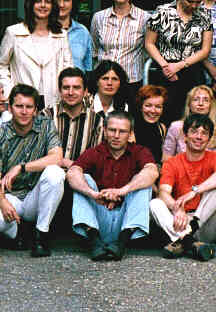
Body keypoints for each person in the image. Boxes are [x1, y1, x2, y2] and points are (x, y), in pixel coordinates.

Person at [0, 84, 65, 257]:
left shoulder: (46, 125)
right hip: (11, 196)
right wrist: (3, 203)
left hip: (37, 195)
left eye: (29, 107)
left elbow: (57, 158)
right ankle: (18, 233)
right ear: (10, 108)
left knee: (55, 173)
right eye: (19, 106)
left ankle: (41, 235)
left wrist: (21, 167)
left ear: (35, 110)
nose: (24, 111)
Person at [65, 111, 157, 261]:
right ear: (104, 131)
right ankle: (94, 241)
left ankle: (121, 243)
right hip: (98, 220)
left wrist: (122, 191)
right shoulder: (94, 152)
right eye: (112, 130)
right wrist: (93, 194)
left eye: (122, 131)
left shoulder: (139, 151)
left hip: (126, 221)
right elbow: (72, 173)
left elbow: (152, 172)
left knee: (143, 181)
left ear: (130, 134)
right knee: (83, 179)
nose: (116, 135)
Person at [149, 114, 216, 261]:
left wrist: (195, 191)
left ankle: (184, 240)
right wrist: (177, 209)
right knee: (155, 203)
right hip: (180, 222)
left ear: (209, 139)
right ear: (185, 136)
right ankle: (191, 243)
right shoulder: (172, 163)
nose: (199, 137)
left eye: (204, 133)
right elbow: (163, 192)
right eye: (194, 131)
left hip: (205, 223)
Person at [145, 0, 213, 124]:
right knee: (165, 113)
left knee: (193, 116)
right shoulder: (162, 12)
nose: (194, 6)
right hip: (165, 70)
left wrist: (180, 65)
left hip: (192, 69)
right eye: (190, 1)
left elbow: (205, 49)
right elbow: (149, 43)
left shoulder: (204, 15)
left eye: (198, 2)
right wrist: (165, 66)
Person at [0, 0, 74, 110]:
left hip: (54, 101)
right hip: (22, 102)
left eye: (47, 2)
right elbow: (0, 66)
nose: (43, 5)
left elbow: (68, 68)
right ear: (31, 5)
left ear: (53, 6)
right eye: (38, 1)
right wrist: (11, 92)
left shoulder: (61, 35)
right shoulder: (14, 32)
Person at [90, 0, 149, 95]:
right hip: (103, 82)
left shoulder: (145, 18)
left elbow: (148, 49)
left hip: (131, 82)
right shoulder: (99, 18)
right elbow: (94, 50)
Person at [41, 67, 99, 165]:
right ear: (60, 90)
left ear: (85, 91)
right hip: (48, 170)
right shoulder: (46, 116)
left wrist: (73, 166)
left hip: (81, 171)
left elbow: (95, 160)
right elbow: (38, 154)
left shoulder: (96, 121)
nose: (71, 93)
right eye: (66, 88)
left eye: (76, 87)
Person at [162, 85, 216, 160]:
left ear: (211, 105)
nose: (200, 104)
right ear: (189, 104)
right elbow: (166, 158)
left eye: (206, 100)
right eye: (196, 99)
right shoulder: (176, 126)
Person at [54, 0, 94, 72]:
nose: (61, 5)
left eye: (66, 0)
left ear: (73, 3)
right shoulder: (45, 31)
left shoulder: (82, 32)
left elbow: (88, 68)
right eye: (58, 0)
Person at [132, 85, 169, 163]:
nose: (153, 111)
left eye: (158, 107)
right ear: (140, 106)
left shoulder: (162, 128)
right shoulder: (130, 127)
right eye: (148, 106)